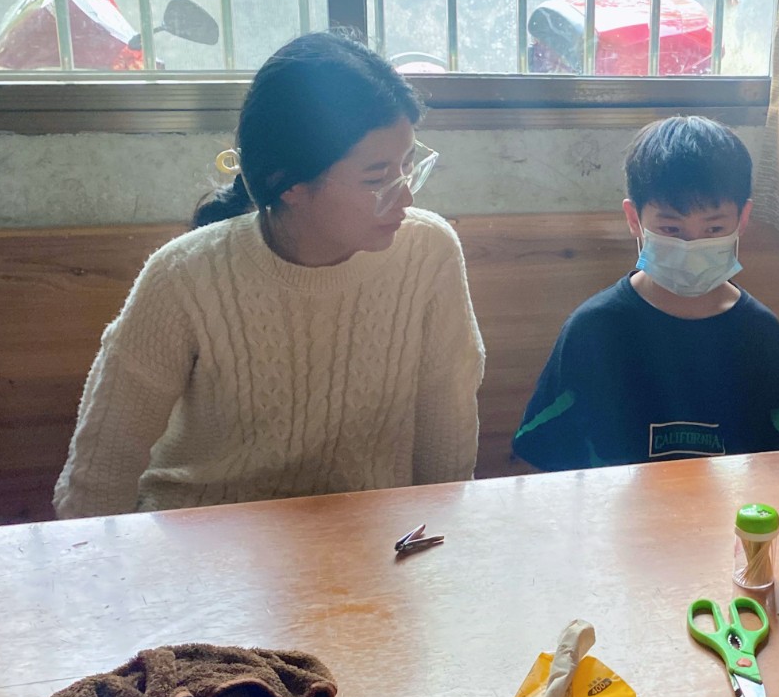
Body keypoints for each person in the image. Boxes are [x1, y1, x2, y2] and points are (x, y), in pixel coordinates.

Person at [54, 31, 485, 518]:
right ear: (289, 184)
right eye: (377, 177)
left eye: (408, 165)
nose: (405, 196)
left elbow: (447, 454)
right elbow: (100, 475)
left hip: (364, 540)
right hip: (204, 537)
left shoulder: (429, 253)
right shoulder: (182, 278)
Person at [512, 115, 779, 470]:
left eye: (714, 228)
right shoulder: (594, 328)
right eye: (671, 229)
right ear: (634, 219)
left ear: (742, 219)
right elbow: (543, 448)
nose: (691, 246)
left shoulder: (760, 333)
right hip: (619, 504)